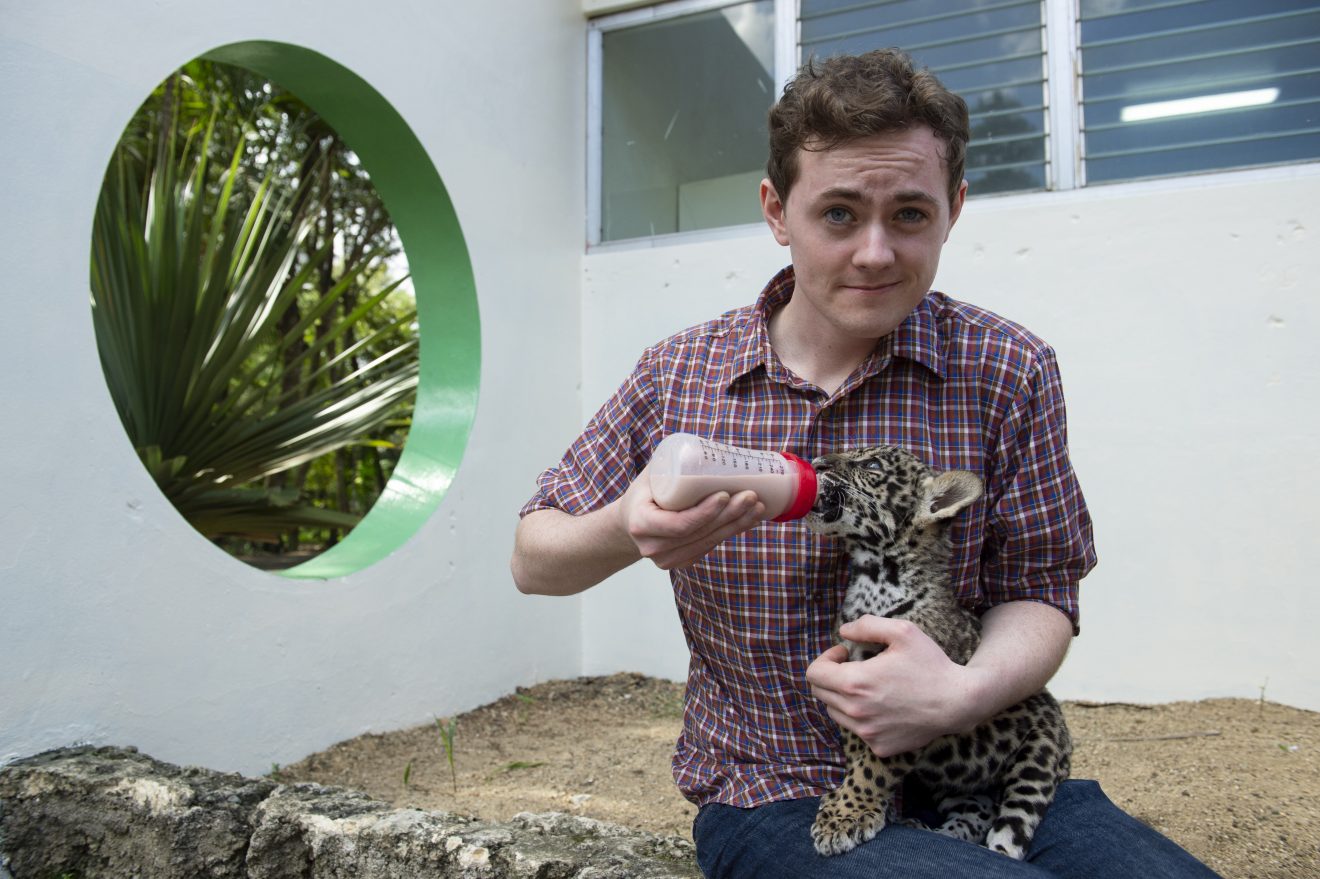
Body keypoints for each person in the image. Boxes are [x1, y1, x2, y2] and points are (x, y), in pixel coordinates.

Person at [512, 49, 1220, 879]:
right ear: (778, 211)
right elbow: (535, 558)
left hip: (983, 764)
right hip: (782, 791)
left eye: (911, 215)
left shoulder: (1008, 367)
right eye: (840, 214)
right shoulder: (681, 375)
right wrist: (625, 526)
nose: (876, 252)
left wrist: (959, 693)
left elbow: (1041, 587)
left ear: (954, 208)